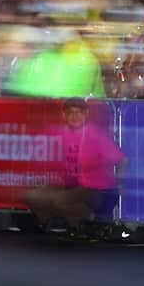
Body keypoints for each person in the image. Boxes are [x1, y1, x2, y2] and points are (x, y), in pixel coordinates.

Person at [23, 98, 126, 231]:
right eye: (70, 112)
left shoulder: (95, 134)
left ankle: (89, 223)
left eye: (79, 112)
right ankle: (56, 226)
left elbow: (123, 160)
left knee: (60, 200)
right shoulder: (61, 133)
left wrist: (120, 183)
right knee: (32, 197)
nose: (75, 116)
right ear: (64, 115)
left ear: (86, 114)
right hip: (70, 186)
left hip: (96, 190)